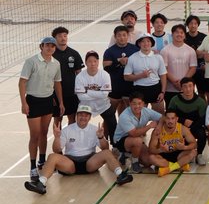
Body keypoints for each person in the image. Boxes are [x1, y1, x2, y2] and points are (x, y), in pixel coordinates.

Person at [24, 105, 132, 195]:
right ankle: (40, 183)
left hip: (89, 162)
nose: (83, 117)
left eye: (86, 115)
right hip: (70, 163)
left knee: (108, 153)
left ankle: (121, 175)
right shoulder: (67, 130)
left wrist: (100, 137)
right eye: (81, 115)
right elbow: (57, 150)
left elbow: (105, 148)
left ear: (90, 117)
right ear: (76, 116)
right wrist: (57, 138)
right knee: (52, 156)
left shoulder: (95, 129)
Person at [19, 36, 65, 181]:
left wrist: (61, 102)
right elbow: (22, 83)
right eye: (47, 45)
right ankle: (32, 166)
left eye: (52, 46)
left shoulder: (56, 63)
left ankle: (42, 161)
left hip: (48, 101)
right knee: (35, 135)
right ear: (41, 47)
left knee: (44, 133)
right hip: (33, 101)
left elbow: (57, 83)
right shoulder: (31, 61)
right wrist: (24, 103)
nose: (50, 48)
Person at [113, 91, 162, 173]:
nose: (137, 106)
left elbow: (162, 118)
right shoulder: (125, 116)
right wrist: (149, 126)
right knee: (138, 140)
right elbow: (134, 133)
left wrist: (159, 126)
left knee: (147, 162)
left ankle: (126, 155)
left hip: (135, 139)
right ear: (130, 104)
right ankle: (134, 162)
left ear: (143, 104)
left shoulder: (146, 111)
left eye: (139, 103)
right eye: (134, 104)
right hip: (121, 140)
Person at [75, 51, 117, 144]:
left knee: (113, 124)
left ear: (98, 62)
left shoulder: (105, 75)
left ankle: (115, 145)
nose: (93, 64)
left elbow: (105, 94)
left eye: (95, 61)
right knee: (80, 124)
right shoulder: (80, 76)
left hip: (103, 105)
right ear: (86, 63)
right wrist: (98, 93)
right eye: (90, 61)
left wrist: (87, 92)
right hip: (85, 106)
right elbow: (81, 97)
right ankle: (80, 145)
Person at [167, 77, 208, 165]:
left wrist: (191, 128)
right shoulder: (175, 100)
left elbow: (203, 119)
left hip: (195, 127)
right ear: (181, 88)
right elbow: (169, 115)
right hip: (178, 127)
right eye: (185, 86)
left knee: (202, 134)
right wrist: (183, 120)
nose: (188, 89)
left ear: (194, 87)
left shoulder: (200, 102)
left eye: (190, 86)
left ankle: (199, 154)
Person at [124, 33, 167, 112]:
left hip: (155, 89)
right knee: (139, 115)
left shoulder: (158, 57)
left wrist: (162, 92)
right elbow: (126, 77)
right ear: (139, 44)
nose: (146, 43)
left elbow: (163, 75)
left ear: (151, 43)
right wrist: (141, 76)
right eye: (143, 41)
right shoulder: (132, 58)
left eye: (148, 41)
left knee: (160, 115)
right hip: (139, 89)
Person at [149, 109, 197, 176]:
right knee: (151, 158)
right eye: (168, 118)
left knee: (193, 152)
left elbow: (194, 144)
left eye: (172, 118)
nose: (170, 121)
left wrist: (184, 147)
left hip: (178, 154)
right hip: (163, 155)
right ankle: (180, 165)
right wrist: (160, 150)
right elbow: (151, 149)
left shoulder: (182, 129)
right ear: (164, 119)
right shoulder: (158, 131)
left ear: (176, 119)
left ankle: (170, 168)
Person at [103, 25, 139, 115]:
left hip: (131, 86)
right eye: (119, 35)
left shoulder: (135, 49)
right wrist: (119, 63)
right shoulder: (109, 51)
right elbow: (106, 69)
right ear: (115, 37)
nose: (122, 38)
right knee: (109, 115)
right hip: (115, 86)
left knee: (131, 115)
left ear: (128, 36)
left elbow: (140, 66)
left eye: (124, 35)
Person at [51, 27, 84, 125]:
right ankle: (58, 136)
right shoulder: (51, 54)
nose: (63, 38)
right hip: (55, 93)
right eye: (60, 36)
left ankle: (70, 136)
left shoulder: (74, 53)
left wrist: (80, 92)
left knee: (72, 119)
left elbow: (79, 74)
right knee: (57, 120)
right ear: (54, 39)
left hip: (71, 93)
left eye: (65, 36)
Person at [161, 24, 197, 105]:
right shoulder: (165, 50)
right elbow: (164, 69)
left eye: (181, 32)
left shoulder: (190, 50)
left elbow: (193, 68)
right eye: (176, 32)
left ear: (184, 35)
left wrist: (183, 83)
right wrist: (175, 82)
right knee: (171, 110)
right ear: (172, 34)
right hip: (170, 88)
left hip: (187, 89)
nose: (179, 34)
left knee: (187, 109)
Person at [184, 15, 207, 97]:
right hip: (187, 68)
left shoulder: (204, 37)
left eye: (195, 23)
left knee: (202, 92)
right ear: (187, 25)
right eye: (191, 23)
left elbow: (207, 53)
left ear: (198, 25)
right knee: (189, 91)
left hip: (201, 68)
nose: (193, 25)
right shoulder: (183, 37)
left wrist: (202, 54)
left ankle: (202, 105)